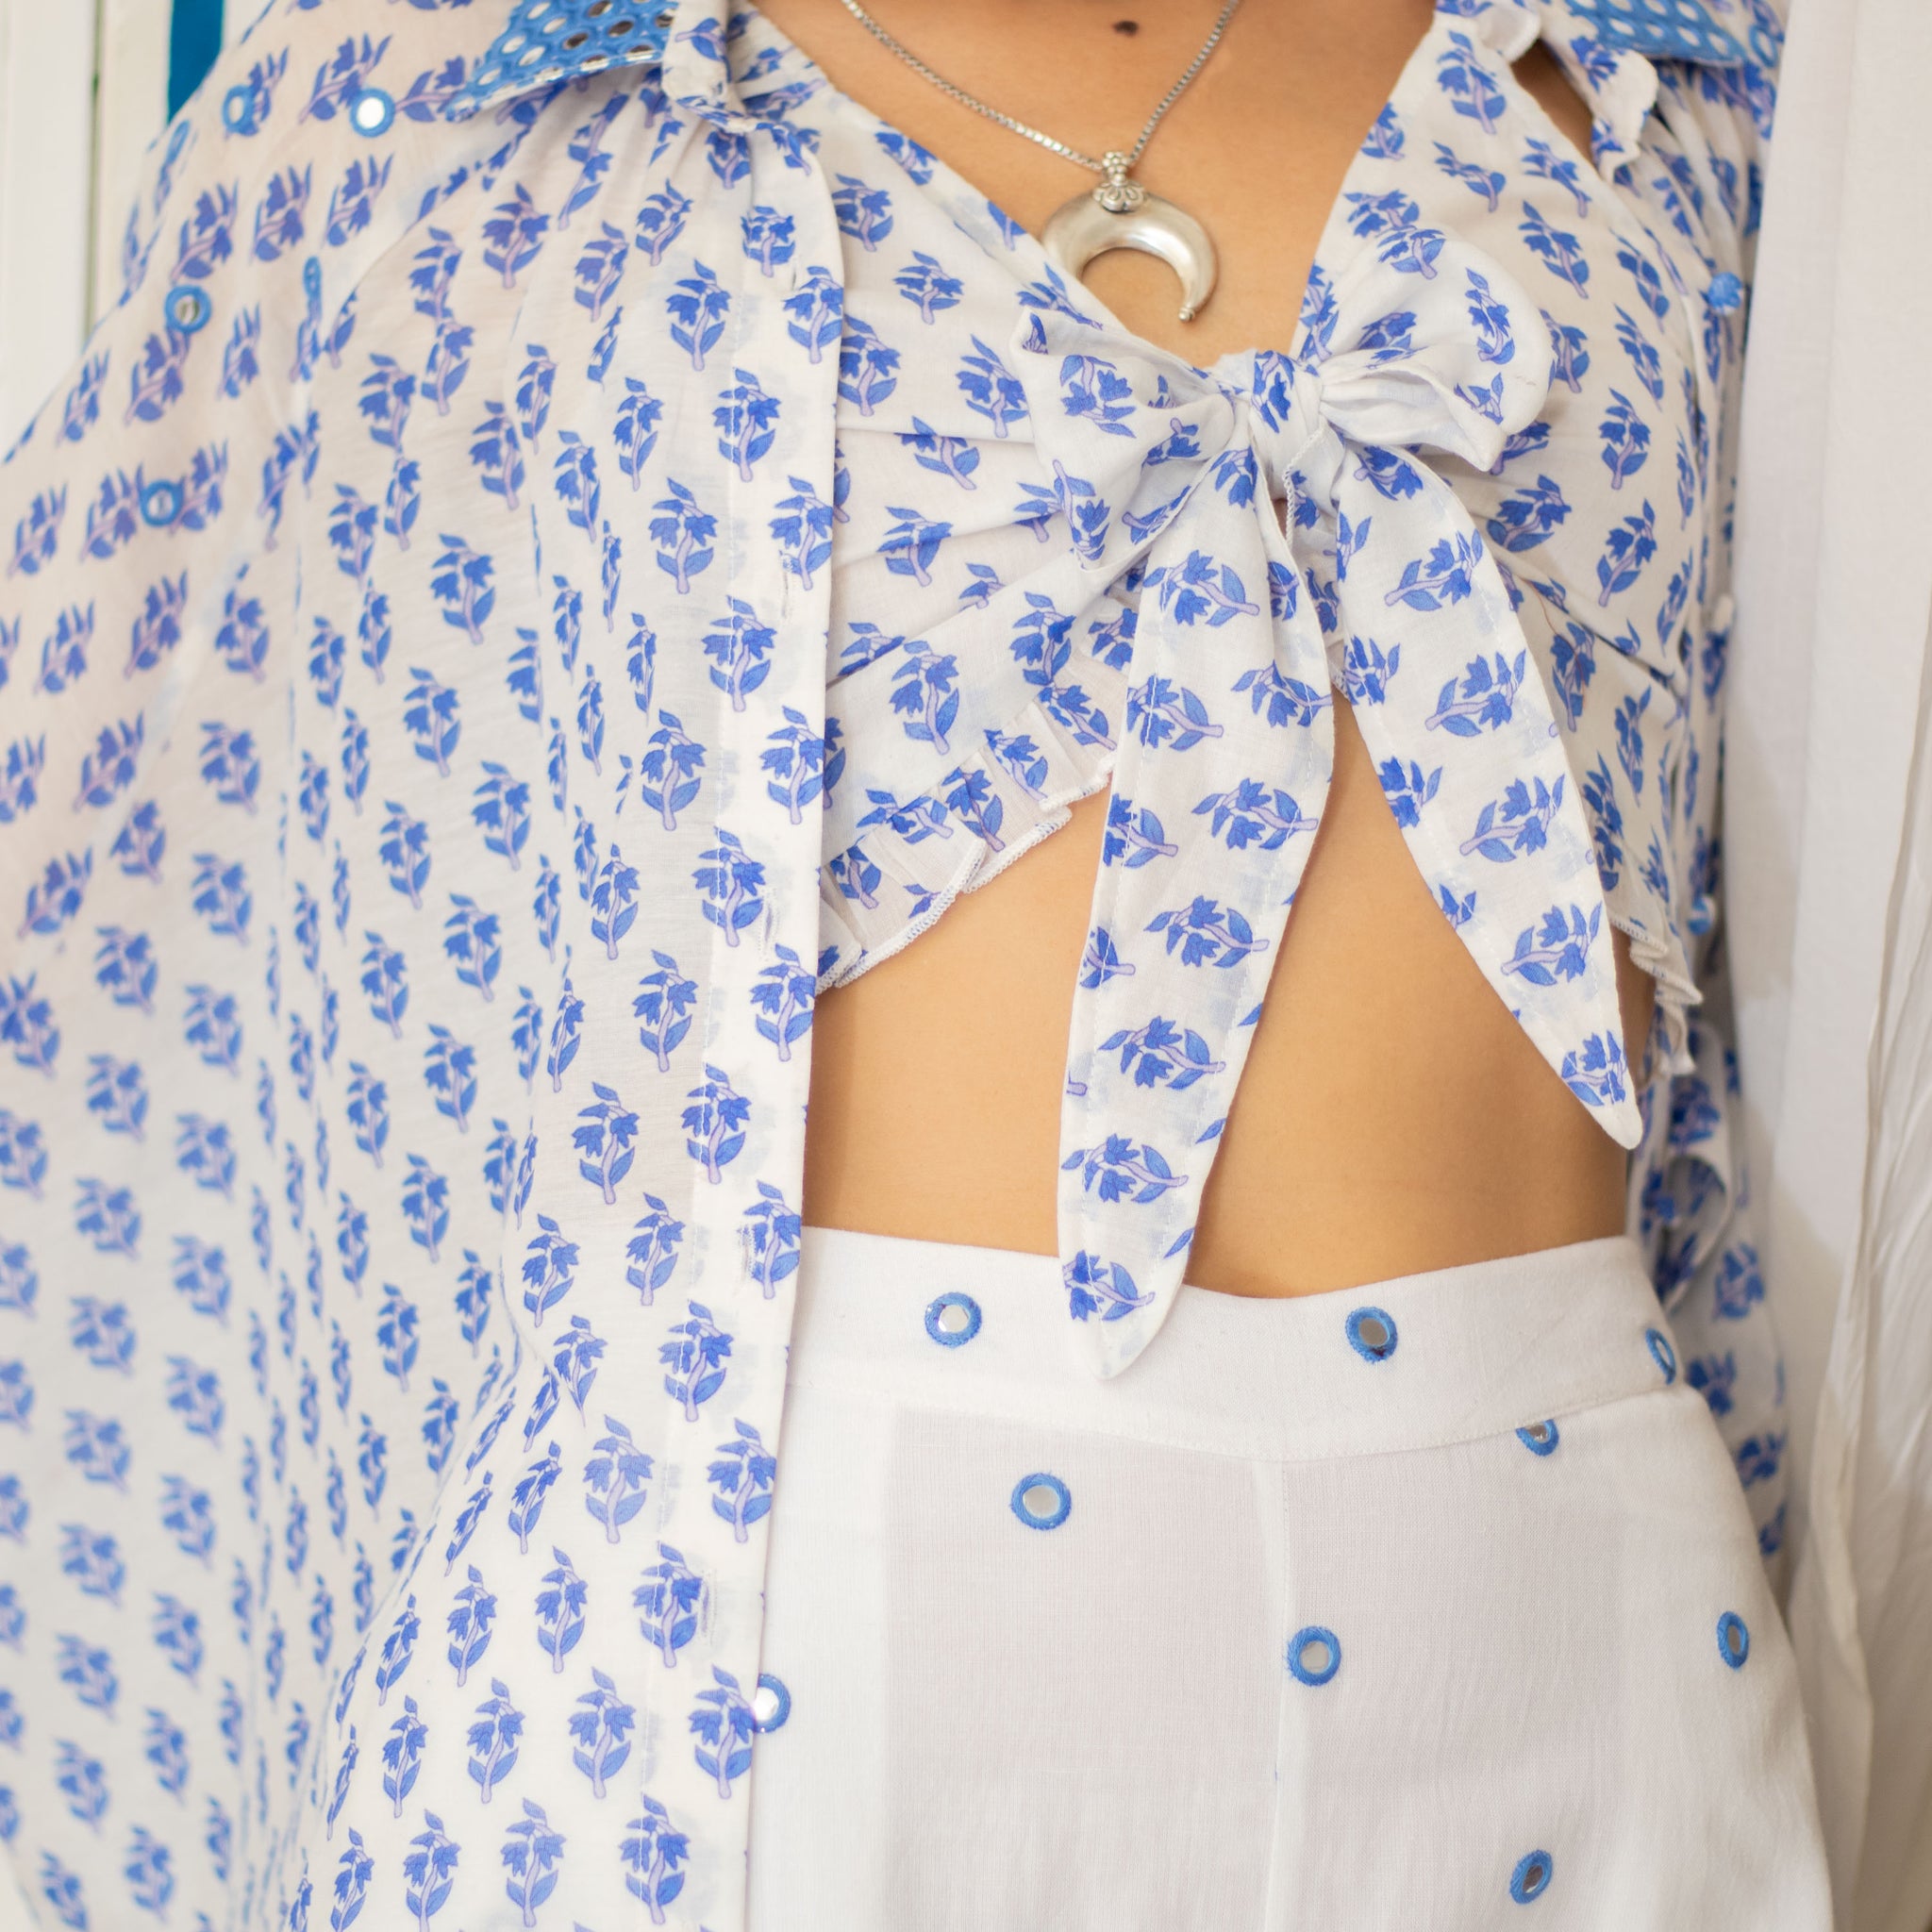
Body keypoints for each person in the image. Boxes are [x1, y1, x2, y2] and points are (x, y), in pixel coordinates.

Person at [0, 0, 1828, 1925]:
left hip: (1586, 1637)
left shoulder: (1691, 77)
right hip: (749, 1680)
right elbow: (125, 878)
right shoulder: (442, 84)